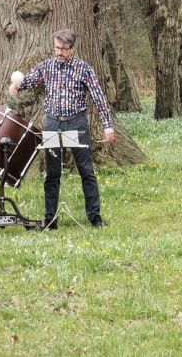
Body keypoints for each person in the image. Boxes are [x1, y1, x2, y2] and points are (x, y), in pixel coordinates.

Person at [9, 29, 116, 229]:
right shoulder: (47, 67)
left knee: (86, 171)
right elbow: (28, 80)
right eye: (56, 48)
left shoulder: (84, 68)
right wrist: (17, 86)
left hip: (77, 124)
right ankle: (50, 220)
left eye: (63, 49)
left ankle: (95, 218)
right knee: (52, 173)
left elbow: (99, 98)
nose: (59, 52)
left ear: (72, 49)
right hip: (53, 124)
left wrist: (108, 126)